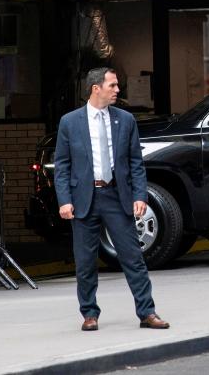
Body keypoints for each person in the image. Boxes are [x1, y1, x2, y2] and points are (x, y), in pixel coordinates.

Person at [54, 67, 170, 331]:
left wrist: (139, 195)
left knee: (133, 257)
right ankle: (89, 314)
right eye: (112, 85)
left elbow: (135, 162)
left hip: (116, 196)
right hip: (83, 198)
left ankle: (147, 312)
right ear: (96, 88)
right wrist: (64, 200)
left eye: (117, 85)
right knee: (85, 262)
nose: (118, 90)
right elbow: (62, 165)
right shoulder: (70, 122)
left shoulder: (125, 120)